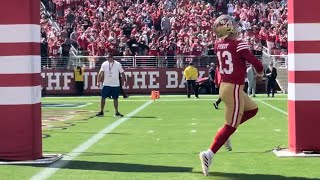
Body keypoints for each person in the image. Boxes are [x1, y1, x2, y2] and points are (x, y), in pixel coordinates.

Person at [199, 15, 264, 176]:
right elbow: (256, 63)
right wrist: (261, 72)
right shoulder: (238, 45)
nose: (236, 26)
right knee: (230, 126)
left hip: (227, 87)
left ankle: (225, 132)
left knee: (252, 109)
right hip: (234, 88)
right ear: (228, 29)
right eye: (232, 25)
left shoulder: (218, 45)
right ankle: (209, 154)